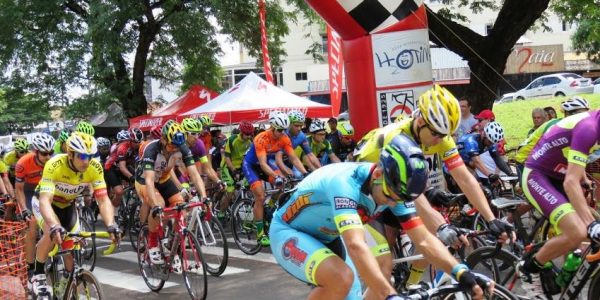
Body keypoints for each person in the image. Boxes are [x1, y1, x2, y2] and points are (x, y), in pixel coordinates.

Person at [270, 135, 494, 300]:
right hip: (289, 231)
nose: (392, 203)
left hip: (328, 237)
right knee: (342, 278)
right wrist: (389, 295)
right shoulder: (345, 183)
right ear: (377, 173)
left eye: (400, 199)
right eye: (390, 196)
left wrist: (461, 272)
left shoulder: (393, 189)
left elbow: (423, 240)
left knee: (356, 294)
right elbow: (356, 245)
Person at [353, 85, 514, 286]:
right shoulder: (397, 138)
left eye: (445, 134)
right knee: (385, 264)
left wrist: (491, 219)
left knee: (430, 244)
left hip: (395, 191)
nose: (440, 139)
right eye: (437, 133)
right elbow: (411, 194)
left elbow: (464, 178)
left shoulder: (440, 136)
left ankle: (409, 287)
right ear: (420, 121)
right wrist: (442, 226)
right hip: (365, 194)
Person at [519, 110, 600, 298]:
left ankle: (565, 281)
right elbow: (570, 183)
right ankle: (528, 269)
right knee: (580, 231)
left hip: (558, 174)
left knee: (577, 242)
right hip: (537, 175)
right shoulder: (588, 128)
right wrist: (591, 224)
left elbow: (573, 165)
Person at [29, 132, 119, 297]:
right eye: (82, 156)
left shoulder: (94, 167)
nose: (86, 161)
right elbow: (45, 201)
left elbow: (103, 199)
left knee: (72, 246)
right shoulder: (54, 164)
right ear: (70, 154)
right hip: (45, 203)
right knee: (51, 232)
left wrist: (111, 224)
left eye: (90, 156)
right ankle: (38, 275)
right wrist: (55, 225)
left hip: (67, 205)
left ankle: (66, 279)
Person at [135, 121, 208, 265]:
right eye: (171, 146)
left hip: (164, 179)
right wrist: (155, 205)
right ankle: (152, 242)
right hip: (144, 181)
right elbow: (149, 180)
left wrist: (204, 196)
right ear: (163, 139)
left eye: (177, 147)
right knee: (160, 205)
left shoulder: (182, 147)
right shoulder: (151, 149)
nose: (174, 149)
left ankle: (172, 242)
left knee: (182, 207)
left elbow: (194, 174)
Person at [242, 111, 308, 246]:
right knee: (260, 196)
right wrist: (276, 176)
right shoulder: (261, 138)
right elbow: (262, 164)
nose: (281, 133)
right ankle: (260, 234)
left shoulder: (284, 138)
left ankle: (269, 207)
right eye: (278, 130)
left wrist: (305, 173)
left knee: (284, 186)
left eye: (283, 130)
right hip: (252, 166)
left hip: (267, 165)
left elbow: (294, 158)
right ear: (271, 127)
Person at [15, 133, 55, 280]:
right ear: (35, 151)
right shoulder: (23, 163)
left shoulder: (55, 161)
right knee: (32, 224)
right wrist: (24, 209)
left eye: (51, 153)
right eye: (44, 154)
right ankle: (31, 266)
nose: (48, 157)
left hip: (47, 189)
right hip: (30, 191)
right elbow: (18, 189)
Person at [456, 122, 515, 187]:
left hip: (470, 162)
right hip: (457, 163)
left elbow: (497, 158)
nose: (491, 144)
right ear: (484, 135)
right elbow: (477, 162)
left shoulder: (489, 141)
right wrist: (490, 175)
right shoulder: (471, 141)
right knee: (478, 186)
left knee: (493, 185)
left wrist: (510, 173)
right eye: (490, 142)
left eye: (493, 143)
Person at [219, 121, 254, 220]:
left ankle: (242, 205)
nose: (248, 136)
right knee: (230, 190)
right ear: (241, 132)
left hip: (241, 166)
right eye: (247, 134)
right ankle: (221, 213)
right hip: (228, 166)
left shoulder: (250, 141)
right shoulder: (232, 139)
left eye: (250, 134)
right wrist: (234, 171)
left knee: (250, 186)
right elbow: (227, 158)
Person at [180, 118, 222, 186]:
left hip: (194, 158)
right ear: (185, 134)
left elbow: (207, 167)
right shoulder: (177, 145)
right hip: (178, 166)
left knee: (200, 181)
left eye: (198, 134)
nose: (196, 137)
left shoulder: (199, 143)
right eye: (193, 133)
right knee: (185, 185)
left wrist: (218, 181)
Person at [276, 111, 320, 176]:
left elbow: (311, 155)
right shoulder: (281, 134)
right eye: (296, 125)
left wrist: (321, 169)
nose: (299, 128)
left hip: (290, 159)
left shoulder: (301, 136)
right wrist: (286, 171)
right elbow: (278, 158)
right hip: (274, 159)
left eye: (301, 125)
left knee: (299, 176)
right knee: (282, 178)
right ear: (289, 124)